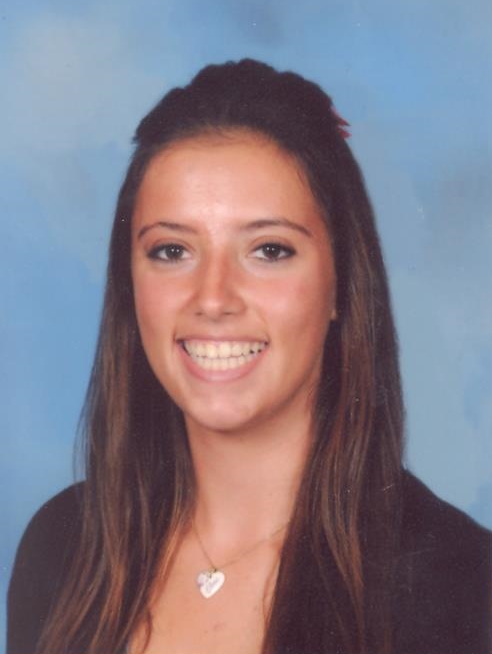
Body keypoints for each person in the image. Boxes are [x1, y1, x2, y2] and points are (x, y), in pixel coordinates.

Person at [7, 58, 491, 654]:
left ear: (342, 284)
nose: (213, 299)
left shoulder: (461, 585)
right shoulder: (62, 547)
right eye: (172, 251)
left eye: (268, 250)